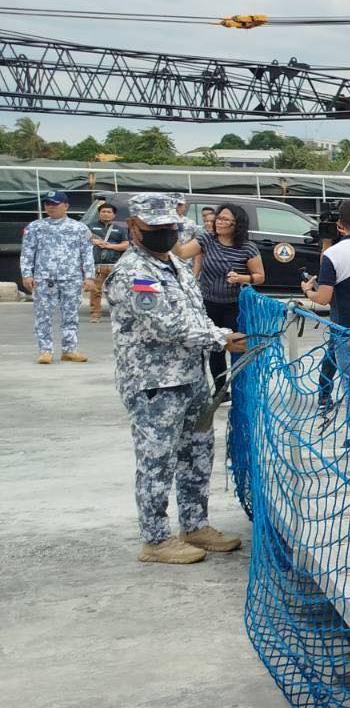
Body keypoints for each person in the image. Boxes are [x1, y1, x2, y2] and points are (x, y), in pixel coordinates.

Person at [104, 193, 246, 564]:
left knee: (197, 453)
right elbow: (167, 325)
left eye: (170, 228)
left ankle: (195, 525)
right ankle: (154, 539)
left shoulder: (176, 266)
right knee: (157, 460)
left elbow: (195, 316)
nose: (165, 234)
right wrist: (221, 339)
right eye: (156, 228)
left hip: (190, 376)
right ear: (134, 227)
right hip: (154, 383)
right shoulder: (134, 272)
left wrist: (220, 331)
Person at [301, 199, 350, 445]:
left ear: (340, 225)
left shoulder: (332, 254)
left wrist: (307, 291)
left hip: (347, 330)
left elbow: (324, 298)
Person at [194, 203, 265, 391]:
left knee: (239, 345)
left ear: (237, 224)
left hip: (236, 305)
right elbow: (183, 252)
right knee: (216, 348)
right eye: (218, 218)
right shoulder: (207, 240)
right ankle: (220, 389)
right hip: (209, 303)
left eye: (225, 219)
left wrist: (242, 277)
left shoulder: (248, 248)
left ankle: (242, 389)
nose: (219, 222)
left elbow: (260, 277)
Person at [20, 190, 94, 364]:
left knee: (71, 315)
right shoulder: (35, 227)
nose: (50, 207)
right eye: (47, 204)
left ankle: (69, 349)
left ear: (66, 206)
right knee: (42, 315)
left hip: (71, 278)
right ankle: (45, 350)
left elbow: (87, 253)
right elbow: (27, 252)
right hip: (44, 278)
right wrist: (26, 274)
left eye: (54, 204)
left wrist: (89, 276)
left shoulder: (79, 228)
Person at [88, 201, 129, 322]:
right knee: (95, 290)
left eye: (109, 212)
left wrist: (110, 246)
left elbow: (126, 245)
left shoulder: (121, 229)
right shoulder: (90, 227)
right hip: (97, 265)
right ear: (99, 213)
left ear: (114, 215)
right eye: (103, 211)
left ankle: (118, 315)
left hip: (115, 265)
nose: (106, 214)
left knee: (118, 291)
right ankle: (95, 314)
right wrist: (95, 242)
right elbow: (83, 241)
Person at [173, 197, 203, 262]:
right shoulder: (165, 223)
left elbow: (197, 242)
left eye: (180, 205)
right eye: (175, 204)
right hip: (170, 258)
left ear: (184, 206)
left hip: (186, 260)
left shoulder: (191, 223)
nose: (177, 207)